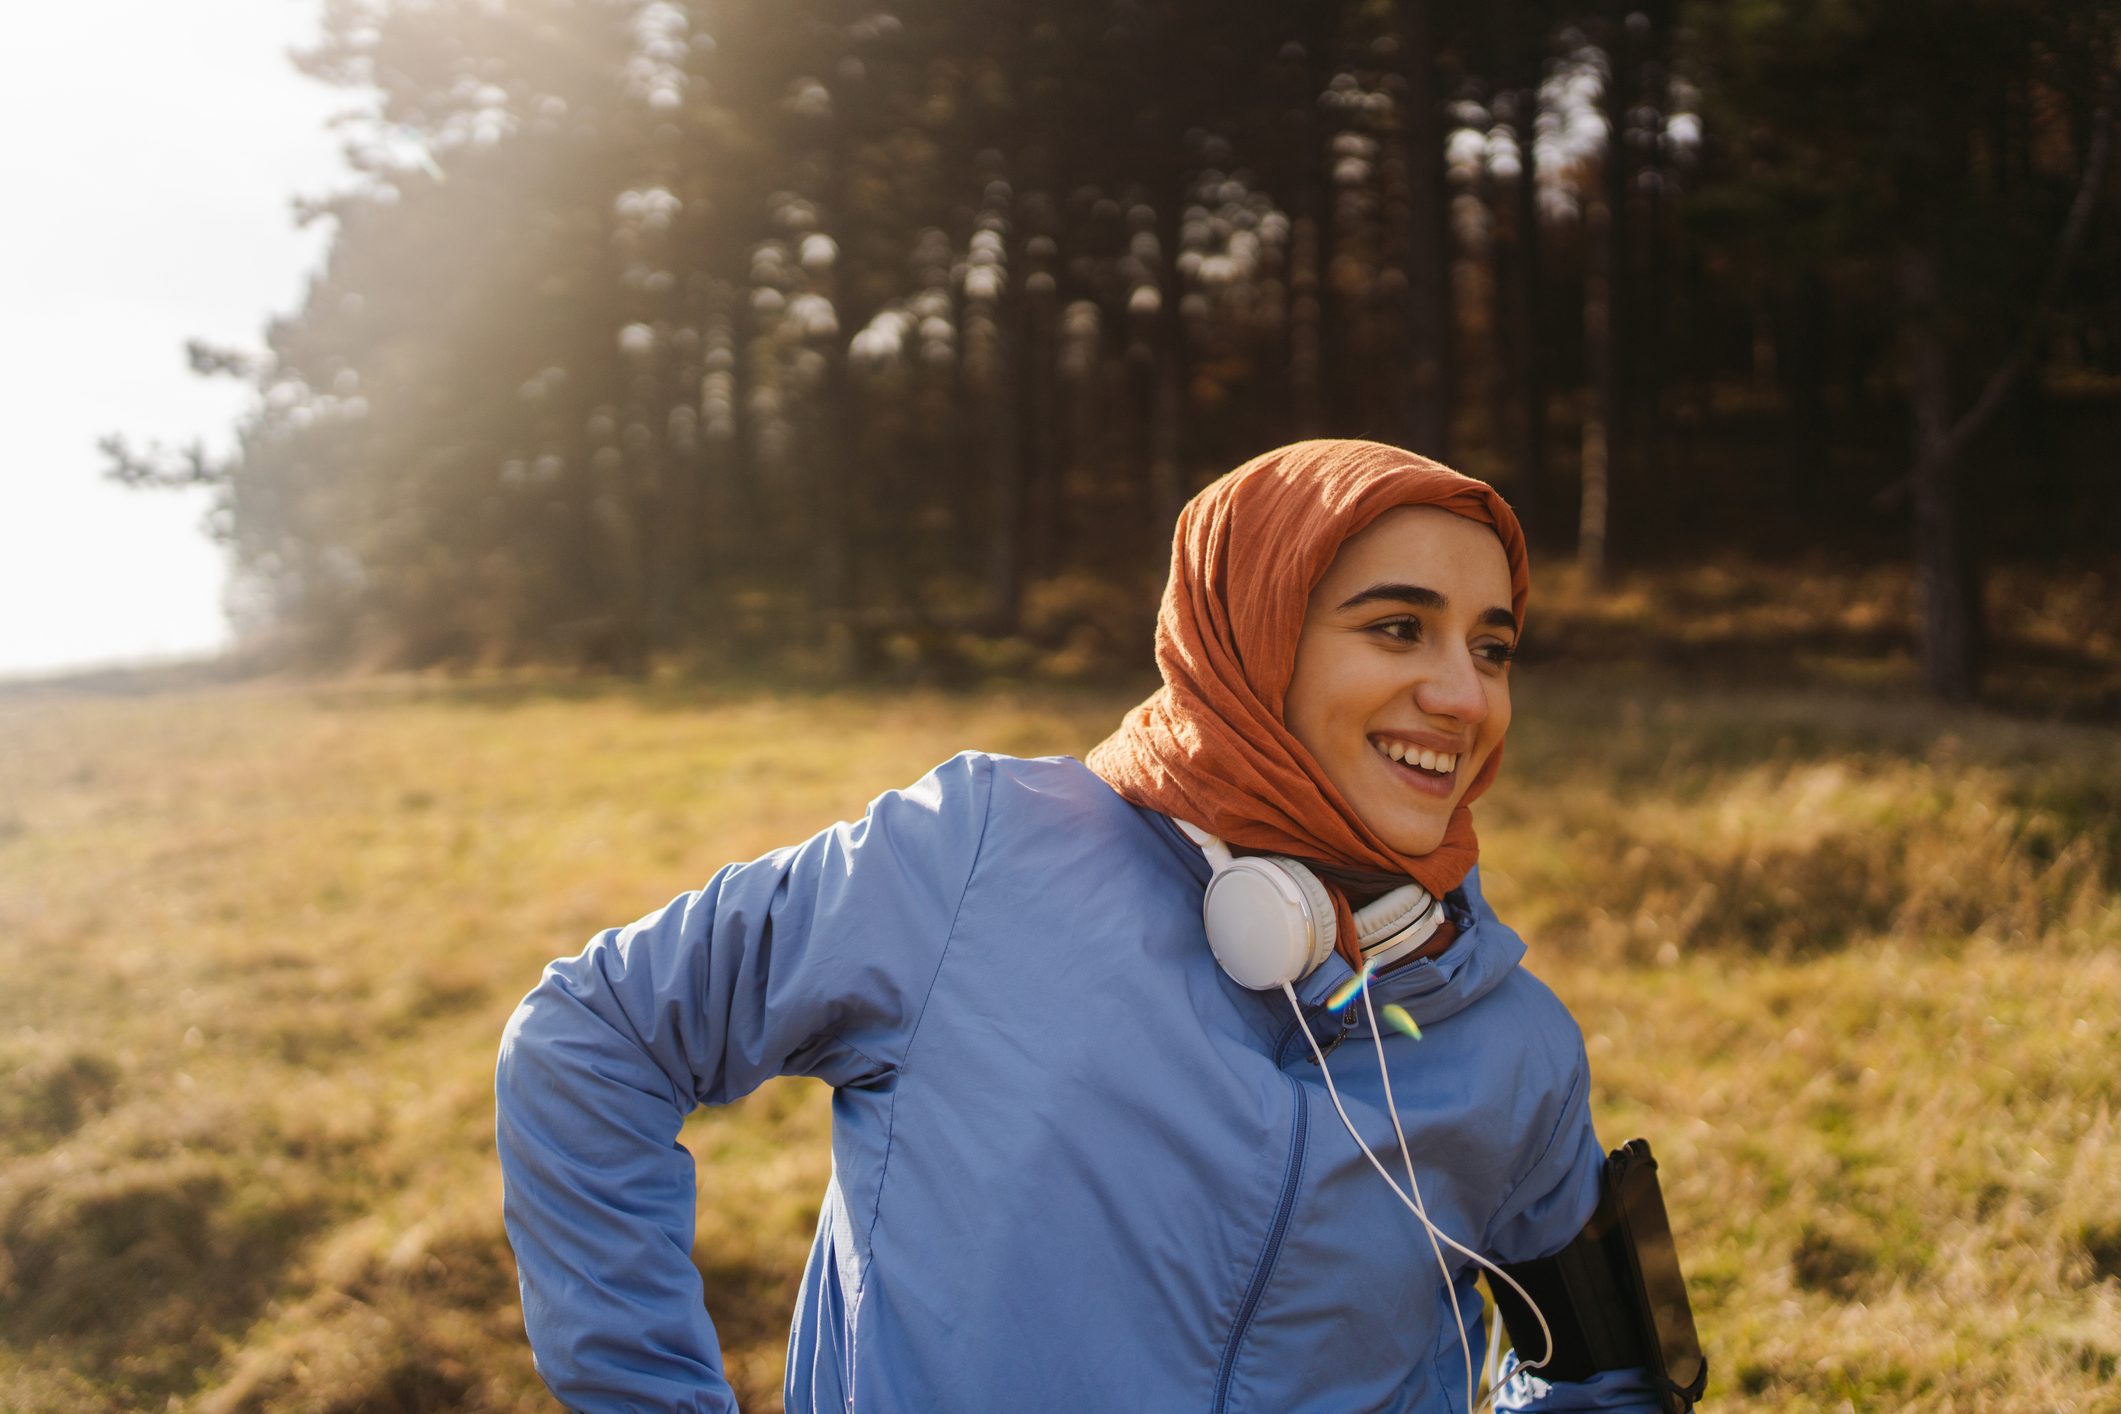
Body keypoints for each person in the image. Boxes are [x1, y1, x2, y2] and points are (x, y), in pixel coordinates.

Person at [496, 439, 1666, 1412]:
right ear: (1249, 636)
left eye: (1493, 646)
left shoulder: (1516, 1042)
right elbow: (593, 1038)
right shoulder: (977, 856)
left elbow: (1610, 1376)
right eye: (1397, 628)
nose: (1463, 695)